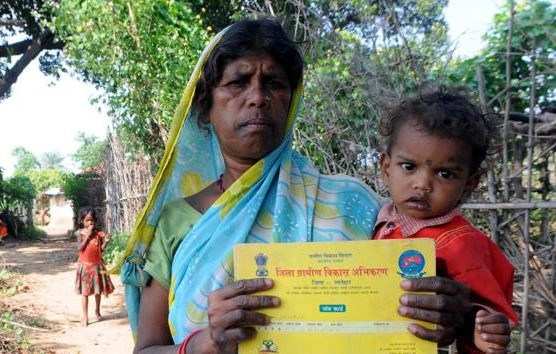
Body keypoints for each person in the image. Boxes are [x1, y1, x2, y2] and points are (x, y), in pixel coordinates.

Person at [120, 18, 472, 354]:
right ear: (204, 106)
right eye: (238, 83)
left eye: (274, 83)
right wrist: (205, 344)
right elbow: (148, 347)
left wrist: (449, 314)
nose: (258, 97)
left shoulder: (352, 203)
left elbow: (410, 299)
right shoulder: (175, 223)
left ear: (291, 102)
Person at [374, 88, 517, 353]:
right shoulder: (377, 219)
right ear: (386, 169)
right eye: (409, 167)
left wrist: (482, 329)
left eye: (445, 173)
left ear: (469, 184)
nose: (422, 184)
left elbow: (485, 318)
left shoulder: (461, 244)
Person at [75, 208, 114, 326]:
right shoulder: (80, 233)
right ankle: (85, 317)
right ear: (82, 221)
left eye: (92, 220)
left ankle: (97, 311)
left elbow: (100, 250)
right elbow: (79, 248)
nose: (90, 223)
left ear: (95, 221)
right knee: (85, 293)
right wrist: (87, 236)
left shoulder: (99, 234)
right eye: (87, 220)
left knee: (98, 291)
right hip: (85, 267)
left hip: (97, 266)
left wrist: (106, 242)